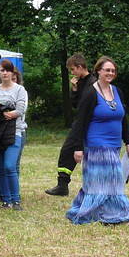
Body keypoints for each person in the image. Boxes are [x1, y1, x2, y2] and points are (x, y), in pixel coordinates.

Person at [65, 56, 129, 225]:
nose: (110, 73)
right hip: (97, 144)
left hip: (114, 144)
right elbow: (80, 121)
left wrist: (128, 142)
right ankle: (116, 215)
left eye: (113, 71)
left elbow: (123, 119)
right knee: (112, 179)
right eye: (107, 70)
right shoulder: (91, 93)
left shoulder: (117, 91)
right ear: (98, 71)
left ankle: (94, 211)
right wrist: (78, 147)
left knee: (99, 181)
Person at [46, 54, 97, 196]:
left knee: (85, 154)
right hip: (79, 122)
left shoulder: (93, 83)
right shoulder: (80, 82)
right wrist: (74, 89)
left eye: (73, 69)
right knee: (67, 151)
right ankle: (62, 185)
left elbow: (86, 107)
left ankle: (92, 186)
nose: (72, 73)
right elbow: (76, 105)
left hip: (89, 123)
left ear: (80, 67)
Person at [0, 59, 28, 210]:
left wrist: (3, 113)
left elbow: (20, 110)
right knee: (1, 168)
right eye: (2, 70)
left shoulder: (19, 89)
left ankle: (16, 200)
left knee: (9, 166)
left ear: (12, 72)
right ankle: (6, 200)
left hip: (14, 132)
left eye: (8, 70)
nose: (5, 73)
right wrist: (2, 112)